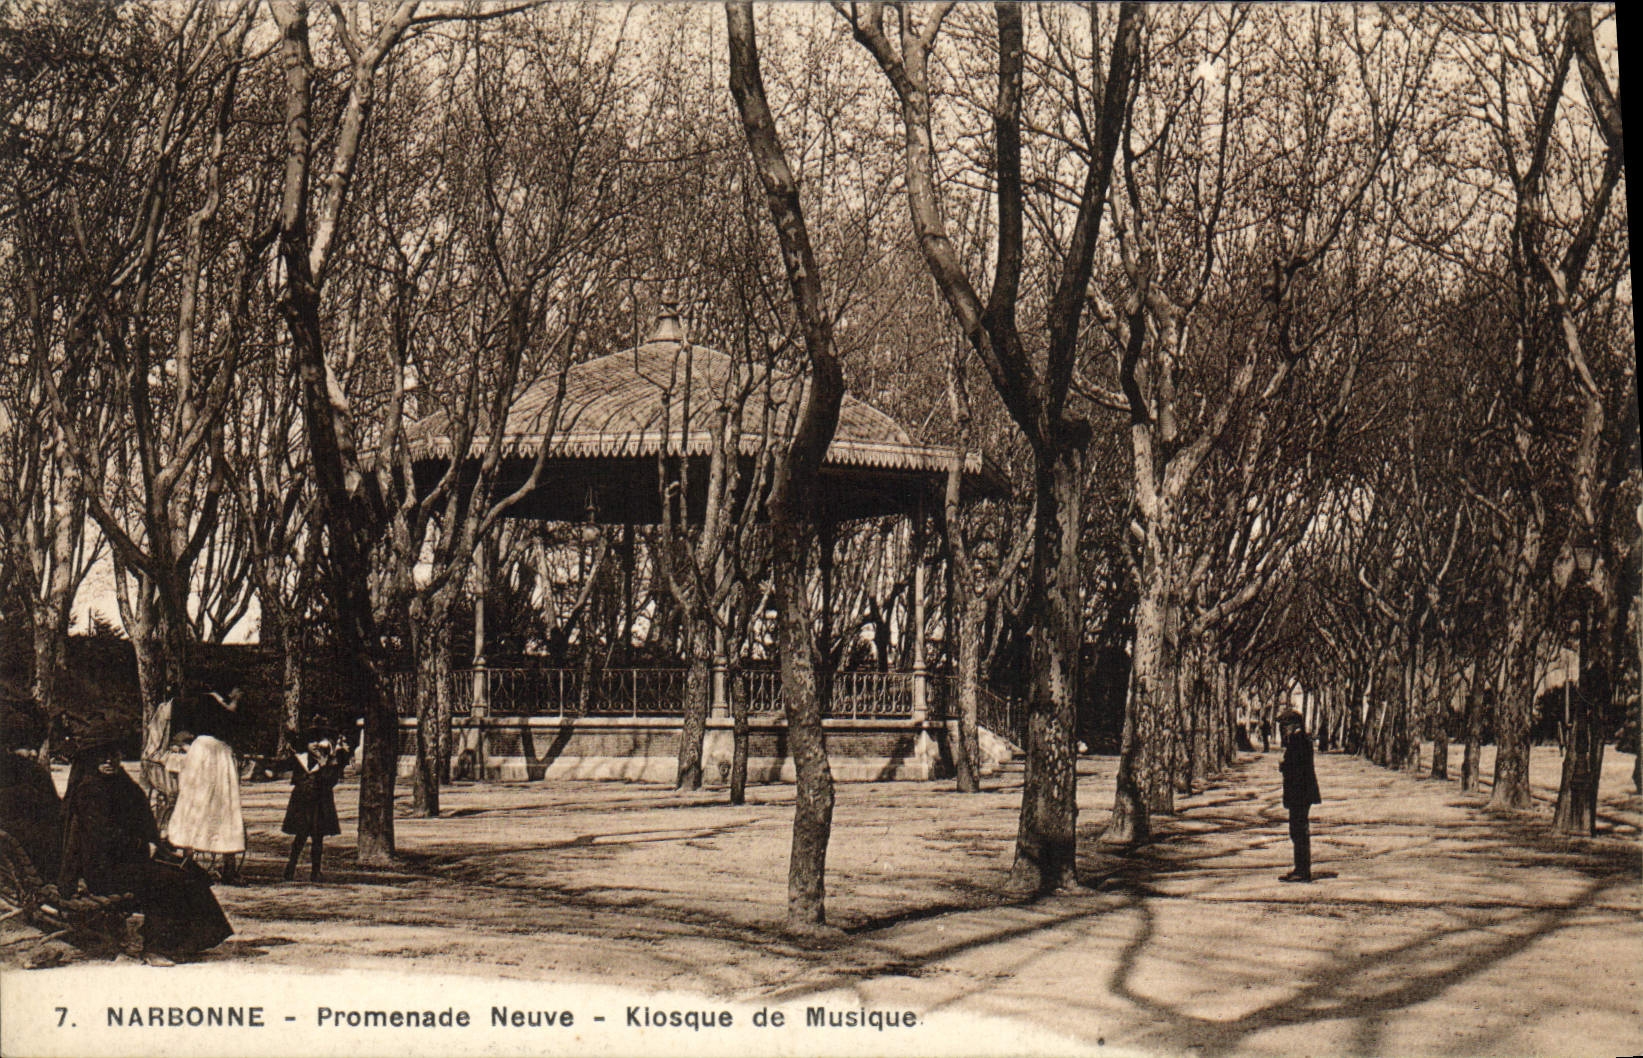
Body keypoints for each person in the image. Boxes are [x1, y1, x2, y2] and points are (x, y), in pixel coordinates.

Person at [57, 732, 233, 962]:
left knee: (190, 872)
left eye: (114, 754)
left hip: (128, 860)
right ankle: (157, 947)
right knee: (166, 880)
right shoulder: (90, 790)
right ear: (90, 759)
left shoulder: (122, 784)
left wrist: (156, 843)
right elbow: (102, 838)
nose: (109, 760)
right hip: (102, 870)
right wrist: (142, 846)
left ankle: (190, 940)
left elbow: (142, 820)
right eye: (102, 756)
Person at [167, 681, 247, 883]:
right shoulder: (210, 702)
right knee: (209, 803)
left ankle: (198, 862)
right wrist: (236, 702)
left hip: (205, 753)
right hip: (212, 755)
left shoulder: (203, 701)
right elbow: (228, 721)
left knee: (210, 803)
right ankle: (195, 863)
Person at [281, 722, 351, 883]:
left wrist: (325, 764)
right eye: (312, 742)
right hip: (301, 802)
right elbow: (283, 766)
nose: (316, 745)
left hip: (320, 803)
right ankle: (290, 867)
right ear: (306, 744)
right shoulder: (300, 759)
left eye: (319, 742)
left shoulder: (329, 762)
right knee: (300, 837)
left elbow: (331, 781)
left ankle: (315, 871)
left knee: (318, 838)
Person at [0, 703, 63, 875]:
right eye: (27, 747)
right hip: (15, 833)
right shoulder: (5, 770)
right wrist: (24, 794)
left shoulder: (36, 772)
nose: (34, 753)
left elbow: (53, 803)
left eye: (35, 747)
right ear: (9, 747)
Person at [1277, 709, 1321, 882]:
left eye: (1285, 725)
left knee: (1298, 831)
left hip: (1299, 794)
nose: (1283, 729)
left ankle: (1302, 871)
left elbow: (1298, 769)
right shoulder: (1300, 740)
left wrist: (1284, 767)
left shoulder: (1298, 741)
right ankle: (1300, 868)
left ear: (1294, 724)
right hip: (1301, 793)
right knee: (1298, 831)